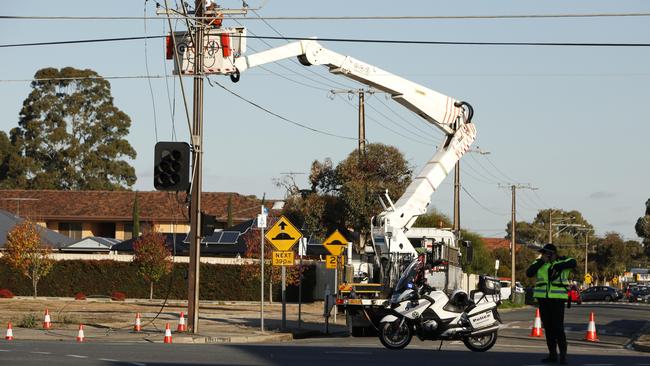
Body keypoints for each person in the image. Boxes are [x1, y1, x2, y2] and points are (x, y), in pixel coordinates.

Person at [526, 244, 576, 364]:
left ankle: (563, 355)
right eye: (543, 253)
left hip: (557, 299)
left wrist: (557, 266)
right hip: (543, 299)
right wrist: (541, 262)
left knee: (558, 328)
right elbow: (529, 273)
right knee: (548, 329)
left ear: (552, 253)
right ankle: (552, 355)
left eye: (546, 253)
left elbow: (573, 262)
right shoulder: (539, 263)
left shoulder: (563, 261)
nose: (543, 255)